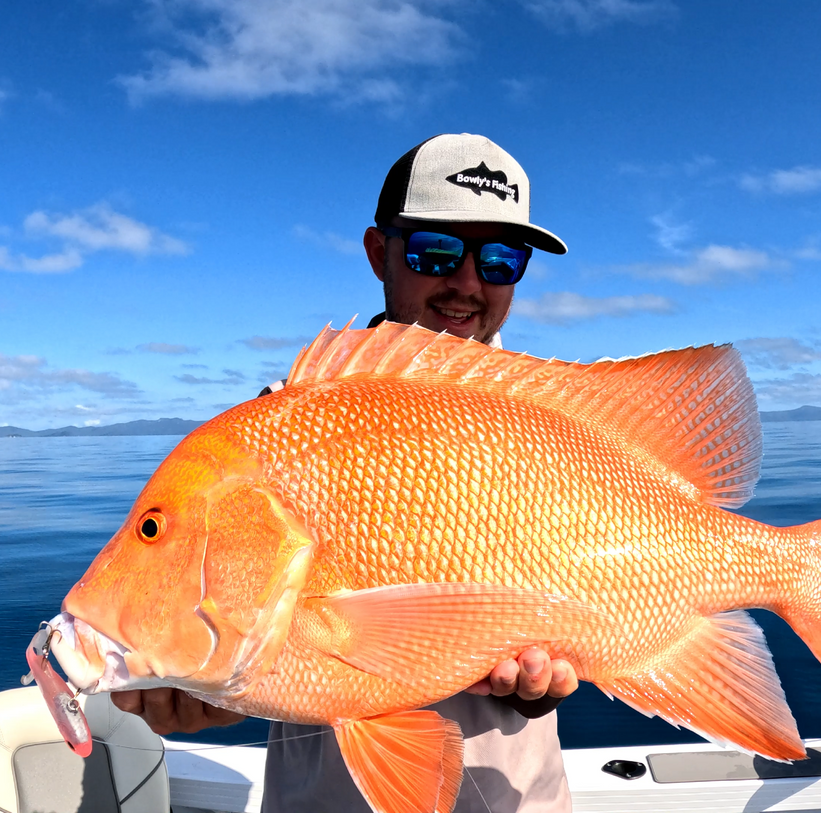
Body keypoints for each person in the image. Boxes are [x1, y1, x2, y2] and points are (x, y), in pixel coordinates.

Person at [113, 133, 576, 812]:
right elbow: (256, 646)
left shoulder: (554, 424)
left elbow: (602, 600)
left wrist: (562, 675)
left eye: (501, 259)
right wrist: (199, 687)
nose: (468, 283)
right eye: (436, 251)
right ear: (377, 251)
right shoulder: (277, 426)